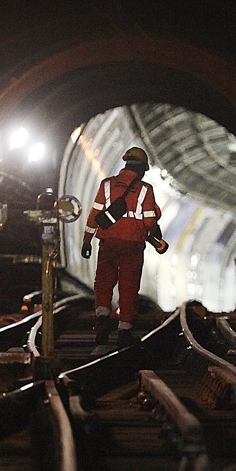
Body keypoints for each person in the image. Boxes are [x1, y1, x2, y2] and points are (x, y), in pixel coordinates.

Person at [81, 146, 163, 346]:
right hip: (133, 245)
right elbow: (149, 221)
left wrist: (86, 240)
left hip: (108, 242)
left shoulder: (106, 185)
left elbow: (94, 216)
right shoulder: (145, 189)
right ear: (141, 168)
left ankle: (102, 317)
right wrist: (155, 231)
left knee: (103, 281)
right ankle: (124, 329)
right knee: (128, 285)